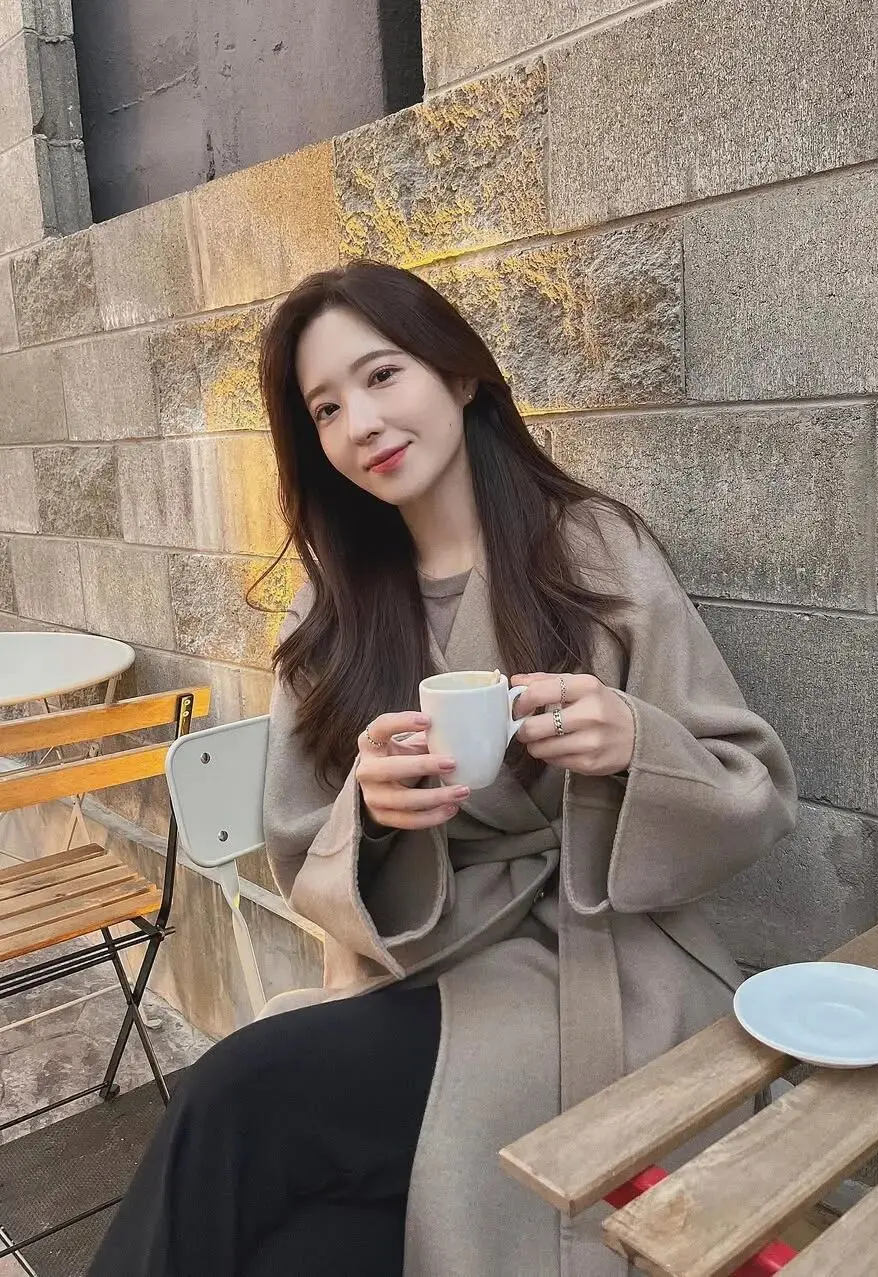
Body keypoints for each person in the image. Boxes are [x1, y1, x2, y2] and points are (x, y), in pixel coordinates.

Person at [89, 261, 798, 1277]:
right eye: (326, 408)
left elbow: (751, 784)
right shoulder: (332, 609)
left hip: (599, 966)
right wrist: (371, 813)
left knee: (235, 1093)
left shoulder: (595, 548)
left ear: (460, 374)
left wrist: (635, 740)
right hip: (426, 962)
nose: (362, 422)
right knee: (302, 1254)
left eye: (382, 375)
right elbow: (303, 846)